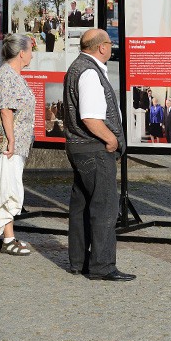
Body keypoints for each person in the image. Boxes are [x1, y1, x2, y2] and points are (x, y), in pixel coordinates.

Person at [63, 28, 133, 281]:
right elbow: (90, 118)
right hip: (93, 148)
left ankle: (78, 262)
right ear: (102, 47)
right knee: (104, 207)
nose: (112, 47)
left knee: (81, 206)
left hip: (79, 147)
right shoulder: (90, 72)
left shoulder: (77, 66)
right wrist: (111, 138)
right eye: (110, 43)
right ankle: (102, 266)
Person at [0, 33, 36, 256]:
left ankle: (0, 235)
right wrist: (12, 140)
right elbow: (6, 110)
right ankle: (8, 239)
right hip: (9, 144)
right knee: (8, 189)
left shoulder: (12, 74)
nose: (32, 55)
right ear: (22, 53)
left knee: (7, 186)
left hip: (15, 143)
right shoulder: (7, 76)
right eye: (30, 50)